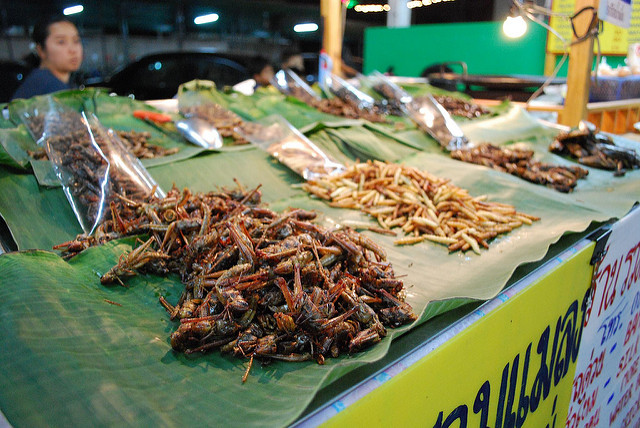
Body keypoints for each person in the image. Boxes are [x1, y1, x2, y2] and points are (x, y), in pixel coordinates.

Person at [11, 16, 83, 100]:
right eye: (61, 42)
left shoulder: (41, 80)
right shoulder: (50, 87)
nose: (73, 50)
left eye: (76, 41)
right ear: (41, 50)